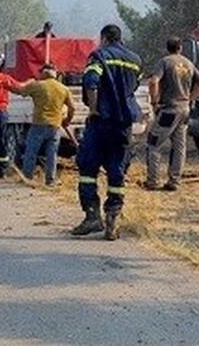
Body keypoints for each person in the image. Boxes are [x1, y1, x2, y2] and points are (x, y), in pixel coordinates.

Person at [72, 24, 142, 241]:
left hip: (102, 121)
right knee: (117, 169)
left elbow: (91, 83)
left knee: (87, 167)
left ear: (104, 38)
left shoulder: (99, 56)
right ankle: (113, 217)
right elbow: (133, 87)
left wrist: (93, 109)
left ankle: (92, 216)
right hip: (124, 124)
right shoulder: (135, 60)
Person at [145, 38, 199, 191]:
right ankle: (174, 181)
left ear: (167, 48)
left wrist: (154, 102)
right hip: (184, 110)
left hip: (169, 109)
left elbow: (153, 81)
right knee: (179, 146)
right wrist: (191, 98)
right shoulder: (188, 63)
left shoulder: (164, 62)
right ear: (180, 48)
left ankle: (153, 181)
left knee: (153, 144)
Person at [19, 64, 75, 186]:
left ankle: (28, 176)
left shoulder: (37, 85)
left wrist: (28, 82)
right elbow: (72, 108)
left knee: (31, 151)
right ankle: (50, 179)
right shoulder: (63, 89)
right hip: (55, 126)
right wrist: (67, 120)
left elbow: (20, 91)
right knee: (52, 153)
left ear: (44, 73)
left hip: (39, 124)